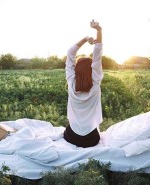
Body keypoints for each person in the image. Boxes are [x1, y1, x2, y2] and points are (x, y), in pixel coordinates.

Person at [64, 20, 103, 148]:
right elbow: (97, 57)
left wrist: (85, 39)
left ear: (76, 70)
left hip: (72, 137)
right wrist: (99, 30)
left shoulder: (71, 82)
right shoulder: (95, 82)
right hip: (91, 139)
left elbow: (70, 54)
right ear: (91, 71)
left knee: (70, 130)